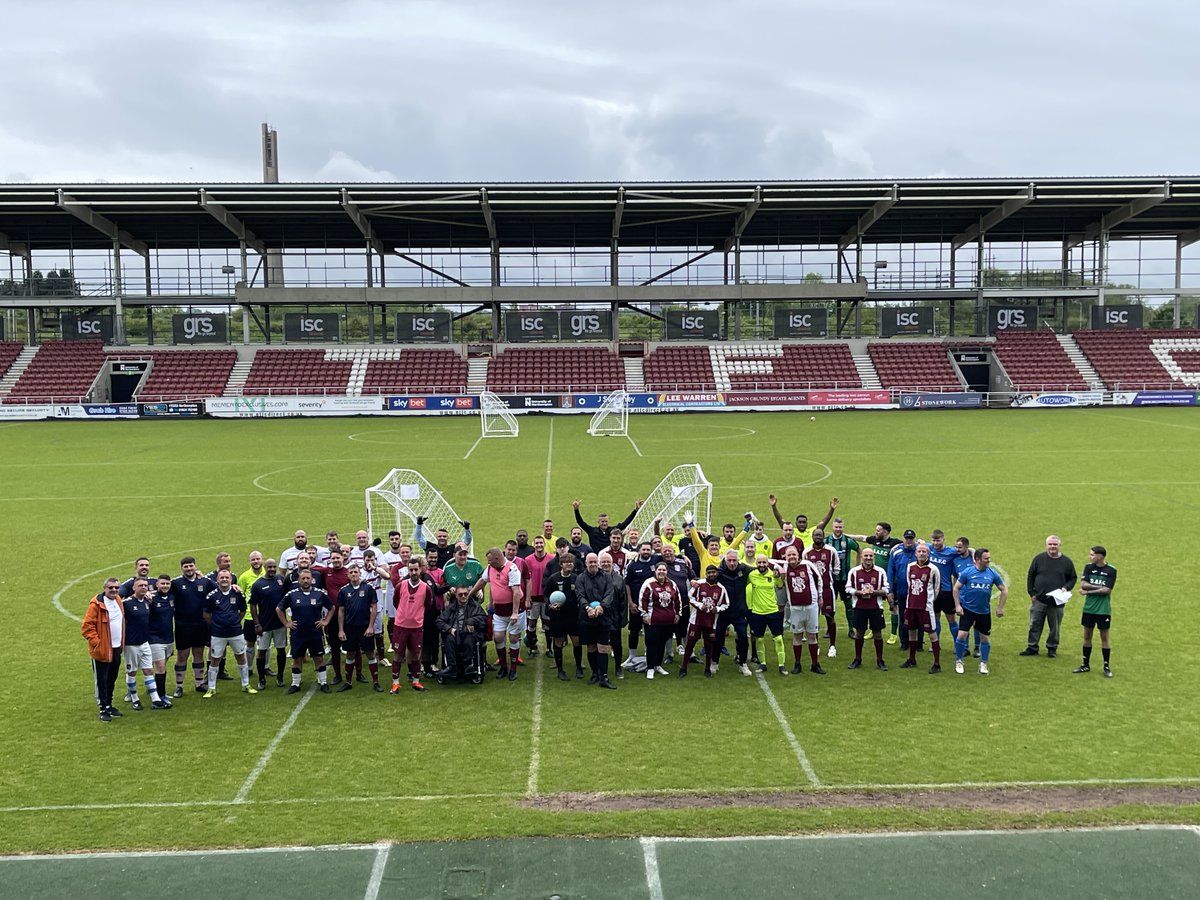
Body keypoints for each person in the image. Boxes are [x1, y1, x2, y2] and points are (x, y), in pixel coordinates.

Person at [277, 568, 334, 694]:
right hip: (298, 633)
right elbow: (279, 609)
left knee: (318, 657)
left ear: (312, 580)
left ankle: (323, 682)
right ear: (298, 580)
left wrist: (326, 621)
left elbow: (332, 607)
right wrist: (286, 622)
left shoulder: (319, 593)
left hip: (315, 632)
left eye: (308, 578)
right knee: (297, 659)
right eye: (303, 578)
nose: (306, 580)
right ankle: (295, 684)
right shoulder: (292, 594)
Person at [201, 570, 258, 698]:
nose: (224, 580)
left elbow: (243, 610)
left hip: (236, 632)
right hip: (218, 634)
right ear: (217, 580)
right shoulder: (212, 596)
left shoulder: (238, 593)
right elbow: (206, 614)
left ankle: (246, 684)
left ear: (231, 580)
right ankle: (211, 688)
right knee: (215, 659)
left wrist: (236, 621)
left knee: (240, 656)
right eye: (222, 578)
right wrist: (216, 624)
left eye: (227, 577)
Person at [953, 548, 1008, 675]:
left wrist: (1000, 607)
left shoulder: (992, 574)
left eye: (989, 558)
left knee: (985, 638)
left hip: (983, 612)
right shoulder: (968, 572)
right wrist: (957, 606)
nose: (989, 560)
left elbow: (1004, 590)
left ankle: (983, 663)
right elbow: (956, 588)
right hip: (968, 610)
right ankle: (959, 661)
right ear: (977, 559)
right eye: (986, 558)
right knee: (961, 635)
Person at [473, 547, 524, 682]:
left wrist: (514, 612)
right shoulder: (490, 568)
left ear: (497, 558)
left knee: (513, 638)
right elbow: (483, 581)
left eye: (490, 560)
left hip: (513, 611)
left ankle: (513, 668)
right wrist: (471, 593)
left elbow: (516, 592)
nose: (488, 563)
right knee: (498, 637)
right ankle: (503, 666)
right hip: (499, 612)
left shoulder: (512, 569)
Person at [1022, 535, 1077, 659]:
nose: (1052, 547)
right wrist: (1031, 593)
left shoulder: (1066, 562)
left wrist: (1066, 587)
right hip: (1039, 600)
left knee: (1055, 628)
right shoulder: (1039, 559)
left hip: (1057, 602)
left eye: (1055, 544)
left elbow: (1073, 578)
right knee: (1034, 624)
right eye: (1050, 544)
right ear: (1046, 545)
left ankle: (1052, 648)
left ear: (1059, 546)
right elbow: (1031, 575)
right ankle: (1032, 647)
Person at [82, 578, 125, 723]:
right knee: (102, 680)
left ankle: (109, 705)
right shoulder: (96, 605)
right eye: (111, 588)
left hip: (116, 648)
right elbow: (87, 627)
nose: (114, 590)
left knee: (112, 678)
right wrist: (97, 644)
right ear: (104, 588)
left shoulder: (118, 600)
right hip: (103, 649)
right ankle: (103, 708)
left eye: (116, 588)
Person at [779, 546, 826, 675]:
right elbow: (770, 562)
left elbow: (819, 580)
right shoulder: (784, 567)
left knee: (812, 635)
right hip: (795, 608)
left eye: (793, 554)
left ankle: (815, 664)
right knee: (797, 636)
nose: (791, 557)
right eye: (789, 555)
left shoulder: (808, 564)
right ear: (785, 557)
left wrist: (820, 596)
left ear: (798, 554)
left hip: (811, 606)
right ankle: (797, 664)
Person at [121, 577, 167, 710]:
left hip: (144, 642)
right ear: (134, 588)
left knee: (148, 670)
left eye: (145, 585)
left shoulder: (147, 601)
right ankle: (135, 699)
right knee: (132, 672)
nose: (143, 587)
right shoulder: (127, 603)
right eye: (140, 585)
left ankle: (155, 699)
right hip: (131, 644)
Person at [170, 556, 214, 697]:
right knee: (182, 655)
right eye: (186, 567)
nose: (189, 569)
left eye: (191, 566)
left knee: (198, 654)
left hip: (200, 625)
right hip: (183, 625)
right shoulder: (175, 583)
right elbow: (162, 591)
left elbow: (219, 588)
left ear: (195, 566)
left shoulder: (205, 582)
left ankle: (199, 683)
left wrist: (235, 587)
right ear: (182, 568)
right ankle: (179, 686)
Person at [336, 563, 381, 692]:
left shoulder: (368, 588)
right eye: (351, 572)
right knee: (350, 654)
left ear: (360, 573)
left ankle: (376, 682)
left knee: (370, 653)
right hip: (350, 628)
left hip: (365, 627)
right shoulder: (344, 590)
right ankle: (348, 682)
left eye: (356, 572)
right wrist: (341, 629)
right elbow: (341, 610)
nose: (354, 574)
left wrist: (371, 626)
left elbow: (374, 607)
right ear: (348, 575)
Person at [900, 541, 942, 674]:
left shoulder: (933, 569)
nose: (922, 553)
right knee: (911, 631)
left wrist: (929, 601)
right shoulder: (910, 567)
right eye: (919, 551)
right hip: (911, 605)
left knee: (932, 634)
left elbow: (936, 588)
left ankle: (937, 663)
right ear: (916, 553)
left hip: (925, 608)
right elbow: (909, 583)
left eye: (924, 551)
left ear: (928, 553)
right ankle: (911, 659)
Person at [576, 553, 617, 688]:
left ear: (598, 563)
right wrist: (588, 608)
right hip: (586, 617)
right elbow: (580, 595)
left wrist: (601, 606)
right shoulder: (580, 578)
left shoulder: (606, 577)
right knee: (591, 646)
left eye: (595, 562)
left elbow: (610, 593)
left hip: (603, 617)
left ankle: (603, 677)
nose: (593, 564)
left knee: (603, 647)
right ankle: (594, 673)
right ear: (586, 563)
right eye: (590, 562)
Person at [1074, 546, 1116, 678]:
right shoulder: (1088, 567)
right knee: (1087, 636)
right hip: (1089, 609)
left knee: (1104, 638)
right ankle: (1085, 664)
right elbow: (1083, 584)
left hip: (1103, 610)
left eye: (1092, 555)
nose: (1090, 557)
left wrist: (1088, 592)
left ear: (1100, 556)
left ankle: (1106, 666)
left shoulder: (1111, 570)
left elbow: (1107, 591)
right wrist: (1100, 587)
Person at [845, 547, 890, 671]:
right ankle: (857, 659)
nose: (868, 558)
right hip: (859, 607)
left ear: (874, 557)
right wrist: (859, 592)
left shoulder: (880, 572)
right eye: (866, 556)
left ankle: (880, 660)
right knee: (859, 633)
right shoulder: (854, 572)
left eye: (871, 556)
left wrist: (873, 591)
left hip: (876, 607)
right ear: (862, 557)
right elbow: (848, 588)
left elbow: (886, 589)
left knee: (878, 634)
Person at [680, 565, 728, 677]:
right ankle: (683, 668)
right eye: (709, 572)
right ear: (706, 574)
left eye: (714, 572)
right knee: (690, 644)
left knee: (709, 645)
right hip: (696, 621)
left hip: (711, 622)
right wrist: (700, 606)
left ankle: (707, 669)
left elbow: (726, 604)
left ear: (717, 574)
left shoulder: (721, 589)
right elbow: (689, 596)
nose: (712, 574)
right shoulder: (699, 584)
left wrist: (718, 609)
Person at [391, 559, 431, 692]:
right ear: (408, 570)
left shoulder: (426, 588)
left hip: (416, 627)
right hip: (401, 626)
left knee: (416, 654)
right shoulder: (400, 586)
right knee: (398, 654)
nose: (413, 572)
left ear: (421, 570)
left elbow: (427, 606)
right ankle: (395, 683)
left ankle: (416, 681)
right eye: (411, 570)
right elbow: (396, 602)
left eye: (416, 569)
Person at [543, 553, 583, 680]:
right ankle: (560, 671)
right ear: (561, 565)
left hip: (573, 616)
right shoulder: (553, 579)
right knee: (559, 642)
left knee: (577, 642)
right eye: (567, 562)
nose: (569, 564)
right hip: (558, 616)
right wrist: (550, 605)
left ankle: (578, 668)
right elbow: (546, 595)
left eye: (571, 562)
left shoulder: (576, 578)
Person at [638, 562, 681, 679]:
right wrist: (644, 614)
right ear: (655, 571)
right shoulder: (649, 583)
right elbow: (643, 600)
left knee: (662, 643)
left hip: (668, 621)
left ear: (667, 571)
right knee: (652, 643)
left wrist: (678, 614)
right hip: (653, 621)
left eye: (664, 570)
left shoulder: (672, 584)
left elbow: (677, 600)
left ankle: (658, 665)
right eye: (659, 570)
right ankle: (650, 668)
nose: (661, 572)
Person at [314, 549, 351, 685]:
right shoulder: (326, 572)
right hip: (333, 616)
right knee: (335, 647)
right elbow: (313, 567)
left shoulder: (349, 572)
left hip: (349, 615)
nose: (335, 560)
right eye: (333, 558)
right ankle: (337, 675)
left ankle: (357, 673)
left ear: (343, 558)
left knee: (353, 646)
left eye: (338, 558)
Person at [746, 554, 788, 676]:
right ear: (756, 563)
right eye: (759, 563)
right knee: (759, 639)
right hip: (757, 613)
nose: (762, 565)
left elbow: (781, 584)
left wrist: (779, 573)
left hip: (773, 611)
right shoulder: (751, 575)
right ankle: (763, 664)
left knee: (779, 639)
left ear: (767, 563)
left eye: (764, 562)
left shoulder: (773, 574)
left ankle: (782, 665)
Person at [251, 559, 289, 689]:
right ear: (265, 567)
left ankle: (280, 676)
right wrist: (257, 624)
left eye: (274, 567)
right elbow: (253, 605)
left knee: (281, 649)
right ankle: (261, 679)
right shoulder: (258, 584)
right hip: (264, 624)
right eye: (269, 567)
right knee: (261, 651)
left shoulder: (281, 580)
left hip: (279, 623)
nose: (272, 569)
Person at [437, 585, 487, 681]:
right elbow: (439, 621)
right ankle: (451, 667)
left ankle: (468, 666)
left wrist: (471, 621)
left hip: (470, 634)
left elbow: (483, 619)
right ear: (456, 595)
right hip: (454, 633)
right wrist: (449, 629)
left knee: (468, 641)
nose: (463, 596)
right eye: (460, 594)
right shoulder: (451, 607)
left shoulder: (475, 606)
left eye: (465, 594)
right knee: (449, 640)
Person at [804, 527, 840, 658]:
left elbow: (836, 569)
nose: (818, 537)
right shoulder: (807, 552)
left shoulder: (831, 551)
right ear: (813, 537)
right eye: (816, 535)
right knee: (814, 618)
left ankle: (832, 646)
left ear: (823, 536)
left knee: (829, 617)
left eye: (820, 535)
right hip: (812, 590)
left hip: (826, 589)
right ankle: (816, 644)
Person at [714, 548, 751, 674]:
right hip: (724, 612)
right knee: (718, 639)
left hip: (740, 612)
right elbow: (707, 579)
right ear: (725, 560)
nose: (732, 563)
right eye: (729, 560)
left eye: (734, 560)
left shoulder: (744, 569)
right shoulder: (719, 572)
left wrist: (777, 567)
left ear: (738, 560)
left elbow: (760, 568)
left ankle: (743, 664)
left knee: (743, 638)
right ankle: (715, 662)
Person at [622, 541, 658, 668]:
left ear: (651, 550)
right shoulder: (632, 565)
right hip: (636, 605)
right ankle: (631, 656)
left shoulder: (656, 561)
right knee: (634, 631)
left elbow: (670, 555)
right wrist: (630, 603)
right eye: (644, 550)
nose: (646, 552)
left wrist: (684, 557)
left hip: (651, 606)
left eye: (648, 550)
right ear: (639, 551)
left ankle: (649, 655)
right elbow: (627, 584)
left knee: (651, 631)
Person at [886, 530, 922, 653]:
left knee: (919, 617)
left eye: (911, 538)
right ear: (903, 538)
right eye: (907, 538)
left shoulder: (919, 551)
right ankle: (904, 642)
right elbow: (890, 571)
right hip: (901, 590)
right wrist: (889, 590)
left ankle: (918, 643)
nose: (909, 541)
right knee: (903, 616)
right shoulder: (896, 551)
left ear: (914, 539)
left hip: (917, 592)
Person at [825, 518, 860, 640]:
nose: (838, 529)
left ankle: (851, 629)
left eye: (840, 527)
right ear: (832, 527)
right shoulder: (826, 541)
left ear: (843, 527)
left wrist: (856, 567)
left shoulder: (848, 541)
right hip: (831, 579)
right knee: (830, 604)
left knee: (849, 605)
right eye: (836, 527)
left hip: (845, 579)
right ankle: (830, 629)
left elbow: (859, 550)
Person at [768, 494, 838, 551]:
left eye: (804, 522)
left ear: (807, 523)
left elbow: (824, 521)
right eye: (800, 522)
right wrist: (774, 506)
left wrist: (832, 509)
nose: (802, 524)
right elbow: (780, 519)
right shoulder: (792, 531)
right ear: (796, 523)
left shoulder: (812, 532)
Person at [523, 536, 554, 656]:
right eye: (537, 543)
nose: (539, 545)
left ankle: (549, 649)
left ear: (544, 544)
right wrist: (527, 597)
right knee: (531, 623)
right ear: (533, 544)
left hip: (546, 598)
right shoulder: (528, 560)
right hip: (533, 598)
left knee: (547, 623)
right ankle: (532, 647)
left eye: (541, 542)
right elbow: (525, 579)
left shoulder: (551, 559)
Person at [147, 574, 176, 706]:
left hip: (169, 638)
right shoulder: (150, 598)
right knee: (160, 666)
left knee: (162, 665)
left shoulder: (172, 596)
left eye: (167, 584)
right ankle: (160, 697)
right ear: (157, 584)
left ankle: (154, 689)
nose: (165, 586)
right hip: (155, 638)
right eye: (162, 584)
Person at [598, 551, 628, 679]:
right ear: (600, 564)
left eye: (608, 562)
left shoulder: (619, 579)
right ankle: (599, 670)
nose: (605, 564)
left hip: (614, 617)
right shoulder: (595, 577)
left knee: (616, 644)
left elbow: (623, 600)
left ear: (612, 563)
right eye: (603, 562)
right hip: (600, 617)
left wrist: (623, 618)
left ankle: (618, 668)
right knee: (600, 644)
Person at [951, 536, 981, 657]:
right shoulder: (956, 560)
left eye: (960, 547)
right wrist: (955, 595)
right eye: (956, 547)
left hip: (975, 595)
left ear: (967, 547)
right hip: (962, 596)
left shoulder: (975, 558)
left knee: (976, 623)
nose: (957, 549)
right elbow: (955, 577)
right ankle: (966, 647)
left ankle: (977, 647)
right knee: (964, 623)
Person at [572, 498, 641, 551]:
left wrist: (635, 510)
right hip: (597, 559)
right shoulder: (592, 531)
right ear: (598, 522)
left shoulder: (613, 530)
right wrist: (576, 510)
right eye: (602, 521)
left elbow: (625, 523)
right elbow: (580, 522)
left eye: (606, 521)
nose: (604, 523)